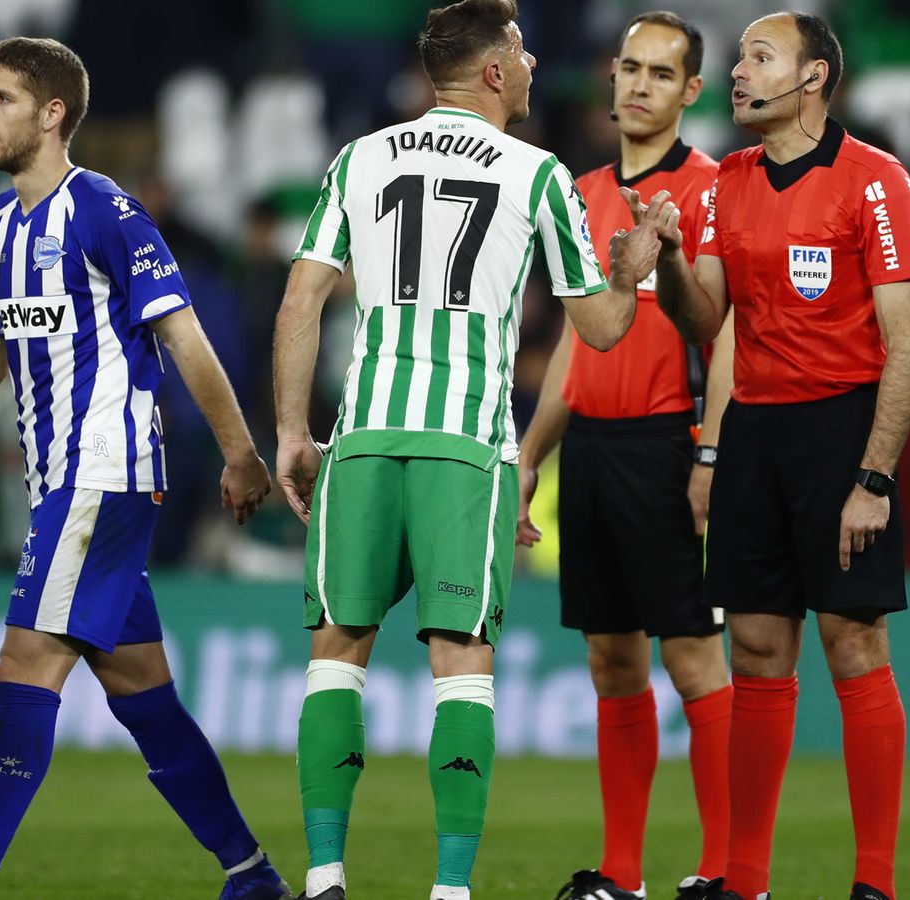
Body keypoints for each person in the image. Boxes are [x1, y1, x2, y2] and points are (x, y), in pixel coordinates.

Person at [0, 37, 288, 900]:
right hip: (59, 483)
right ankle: (250, 875)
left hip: (105, 471)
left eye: (1, 98)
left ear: (53, 112)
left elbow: (184, 337)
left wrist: (241, 452)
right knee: (143, 695)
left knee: (23, 663)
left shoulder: (105, 210)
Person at [272, 2, 662, 898]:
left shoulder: (358, 158)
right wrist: (633, 266)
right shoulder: (537, 174)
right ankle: (450, 892)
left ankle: (326, 878)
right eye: (520, 51)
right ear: (493, 72)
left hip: (364, 436)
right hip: (464, 447)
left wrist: (296, 431)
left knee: (337, 651)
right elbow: (600, 329)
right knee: (460, 664)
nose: (529, 65)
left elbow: (301, 303)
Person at [640, 13, 910, 900]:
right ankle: (747, 881)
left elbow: (909, 342)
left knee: (853, 644)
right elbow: (706, 324)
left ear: (813, 78)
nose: (736, 72)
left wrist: (874, 479)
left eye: (758, 57)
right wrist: (676, 261)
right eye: (737, 58)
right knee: (760, 651)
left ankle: (874, 884)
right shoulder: (727, 181)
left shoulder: (875, 183)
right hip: (756, 435)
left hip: (842, 430)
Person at [516, 12, 732, 900]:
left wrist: (710, 454)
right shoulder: (578, 190)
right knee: (612, 660)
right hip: (594, 451)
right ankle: (623, 875)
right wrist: (532, 452)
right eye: (630, 69)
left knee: (691, 659)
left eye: (661, 73)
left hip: (668, 440)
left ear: (691, 91)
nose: (639, 85)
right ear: (611, 78)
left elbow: (728, 336)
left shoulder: (715, 189)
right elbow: (578, 337)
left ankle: (725, 870)